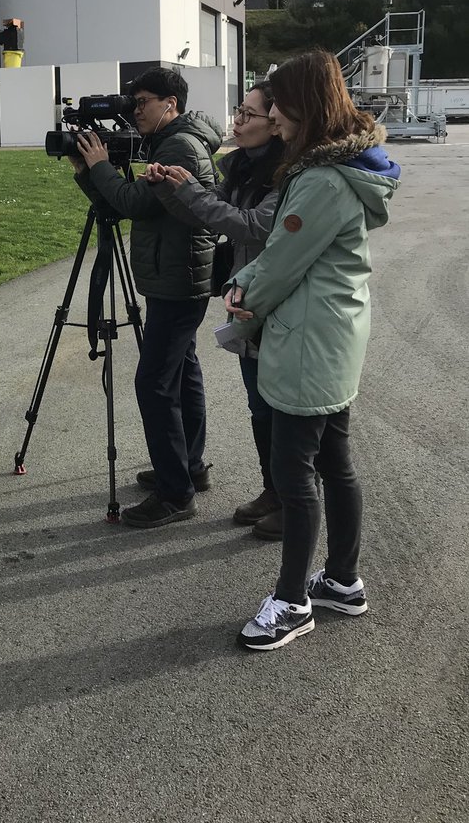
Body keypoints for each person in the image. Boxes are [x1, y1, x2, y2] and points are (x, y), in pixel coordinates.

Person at [223, 50, 400, 652]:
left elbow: (280, 259)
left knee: (293, 470)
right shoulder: (341, 170)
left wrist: (241, 292)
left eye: (276, 104)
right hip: (331, 336)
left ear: (303, 106)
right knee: (334, 461)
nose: (270, 116)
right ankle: (342, 581)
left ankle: (292, 600)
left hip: (308, 341)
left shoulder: (322, 180)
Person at [70, 66, 223, 528]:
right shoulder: (175, 139)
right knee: (182, 372)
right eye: (133, 103)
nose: (135, 111)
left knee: (153, 382)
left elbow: (134, 204)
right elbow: (122, 200)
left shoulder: (177, 145)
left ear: (170, 105)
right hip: (176, 275)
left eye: (143, 103)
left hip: (177, 278)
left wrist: (99, 166)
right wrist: (88, 172)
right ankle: (188, 468)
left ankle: (176, 494)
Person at [144, 82, 286, 539]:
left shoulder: (287, 174)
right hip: (246, 299)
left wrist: (187, 188)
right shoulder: (241, 166)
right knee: (259, 406)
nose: (238, 122)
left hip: (274, 298)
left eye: (249, 115)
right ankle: (274, 490)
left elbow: (248, 227)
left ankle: (292, 499)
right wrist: (170, 188)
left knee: (282, 408)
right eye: (238, 112)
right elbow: (210, 212)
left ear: (277, 122)